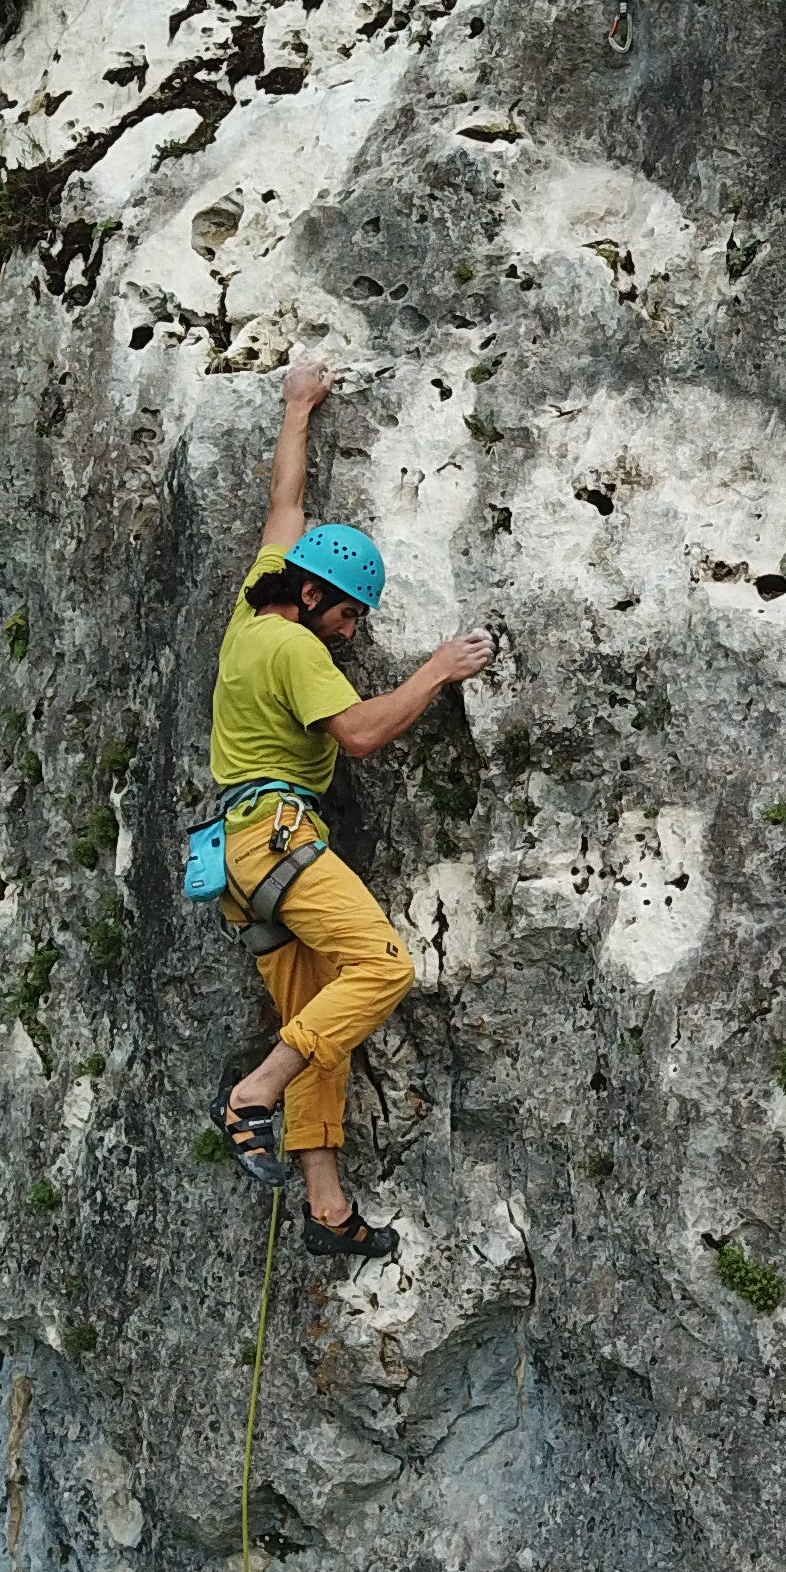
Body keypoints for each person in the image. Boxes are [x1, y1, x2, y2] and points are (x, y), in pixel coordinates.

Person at [207, 359, 492, 1259]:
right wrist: (438, 670)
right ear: (315, 597)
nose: (352, 631)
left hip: (242, 865)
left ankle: (326, 1208)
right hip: (282, 841)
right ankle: (256, 1091)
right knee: (381, 969)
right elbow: (362, 734)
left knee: (323, 1014)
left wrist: (299, 407)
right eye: (350, 617)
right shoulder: (295, 651)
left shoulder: (254, 603)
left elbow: (285, 504)